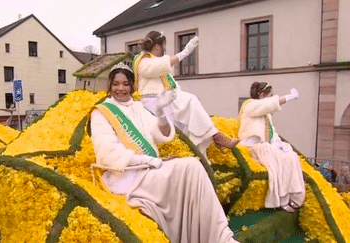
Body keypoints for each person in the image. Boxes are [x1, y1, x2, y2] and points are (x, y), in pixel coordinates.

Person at [90, 62, 238, 243]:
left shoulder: (138, 107)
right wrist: (146, 160)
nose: (121, 88)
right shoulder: (102, 112)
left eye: (125, 83)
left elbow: (162, 135)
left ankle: (220, 236)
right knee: (189, 168)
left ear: (132, 85)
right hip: (124, 176)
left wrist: (160, 113)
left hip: (148, 169)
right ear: (110, 86)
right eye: (116, 83)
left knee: (193, 165)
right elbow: (108, 153)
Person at [132, 31, 239, 158]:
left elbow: (167, 77)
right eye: (163, 46)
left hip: (165, 101)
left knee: (190, 108)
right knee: (190, 100)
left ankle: (213, 138)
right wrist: (185, 52)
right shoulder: (144, 61)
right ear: (157, 47)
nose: (164, 50)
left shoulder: (152, 62)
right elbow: (162, 65)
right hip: (153, 103)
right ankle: (216, 136)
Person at [238, 82, 305, 212]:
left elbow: (272, 133)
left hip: (265, 146)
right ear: (261, 95)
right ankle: (281, 200)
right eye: (270, 95)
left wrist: (280, 146)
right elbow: (270, 104)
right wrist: (290, 97)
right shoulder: (249, 105)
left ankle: (295, 198)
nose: (272, 98)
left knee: (290, 156)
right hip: (252, 147)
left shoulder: (265, 113)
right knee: (279, 159)